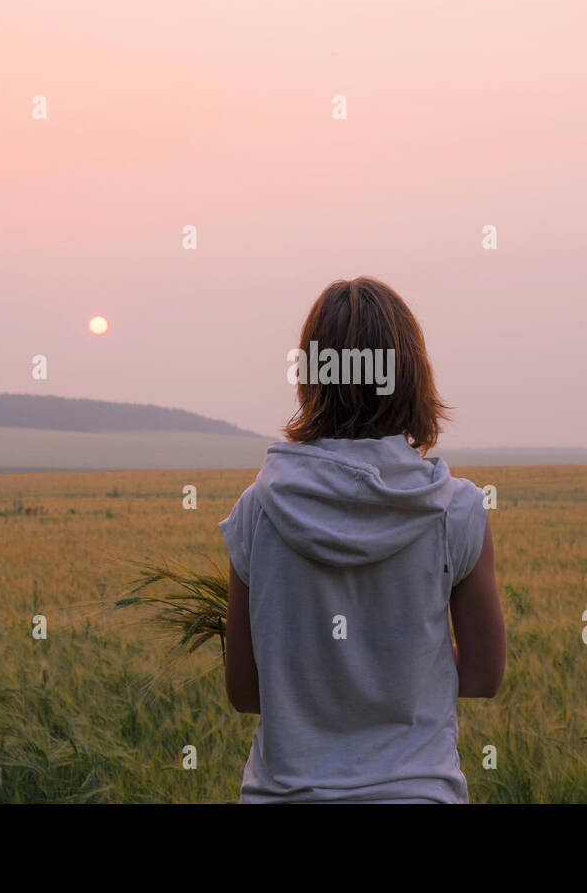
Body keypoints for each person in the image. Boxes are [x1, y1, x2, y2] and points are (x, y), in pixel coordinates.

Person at [219, 276, 506, 803]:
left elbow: (244, 691)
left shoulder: (256, 511)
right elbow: (485, 676)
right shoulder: (456, 510)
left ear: (311, 376)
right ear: (412, 375)